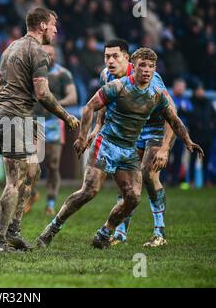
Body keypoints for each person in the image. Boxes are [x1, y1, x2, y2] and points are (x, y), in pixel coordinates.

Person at [37, 47, 203, 250]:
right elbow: (90, 106)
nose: (147, 70)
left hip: (128, 150)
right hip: (106, 145)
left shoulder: (157, 94)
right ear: (133, 67)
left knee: (133, 197)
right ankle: (52, 228)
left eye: (151, 66)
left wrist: (187, 141)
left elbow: (174, 119)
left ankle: (105, 233)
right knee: (89, 191)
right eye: (142, 65)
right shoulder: (117, 86)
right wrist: (83, 137)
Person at [0, 7, 80, 253]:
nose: (56, 30)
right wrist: (65, 115)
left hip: (11, 116)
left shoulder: (11, 47)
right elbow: (42, 93)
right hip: (13, 117)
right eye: (53, 24)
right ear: (41, 25)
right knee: (14, 181)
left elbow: (1, 83)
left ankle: (14, 231)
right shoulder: (37, 51)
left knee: (34, 170)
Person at [88, 39, 176, 247]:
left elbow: (172, 113)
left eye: (114, 57)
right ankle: (120, 234)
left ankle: (159, 232)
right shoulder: (106, 76)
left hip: (155, 129)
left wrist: (164, 147)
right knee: (127, 183)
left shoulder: (151, 79)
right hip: (132, 130)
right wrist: (97, 127)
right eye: (107, 57)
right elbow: (103, 103)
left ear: (126, 60)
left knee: (148, 174)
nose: (110, 61)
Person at [24, 44, 78, 215]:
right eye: (46, 53)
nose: (49, 56)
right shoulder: (30, 73)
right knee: (30, 164)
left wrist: (55, 104)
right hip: (33, 122)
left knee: (53, 164)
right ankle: (32, 194)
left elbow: (73, 96)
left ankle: (51, 202)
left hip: (54, 122)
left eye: (52, 54)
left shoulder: (63, 74)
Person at [188, 83, 216, 187]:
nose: (201, 92)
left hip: (207, 137)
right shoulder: (191, 102)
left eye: (202, 90)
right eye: (199, 90)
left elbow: (214, 117)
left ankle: (206, 181)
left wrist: (211, 125)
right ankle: (191, 182)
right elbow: (189, 118)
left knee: (206, 161)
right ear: (195, 92)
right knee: (192, 160)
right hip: (194, 138)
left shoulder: (208, 103)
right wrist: (196, 125)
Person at [169, 78, 192, 186]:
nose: (181, 89)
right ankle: (163, 181)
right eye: (179, 86)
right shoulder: (169, 99)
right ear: (174, 87)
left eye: (183, 87)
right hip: (169, 134)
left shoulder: (186, 100)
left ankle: (175, 182)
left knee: (178, 159)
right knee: (166, 159)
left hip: (181, 135)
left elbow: (191, 113)